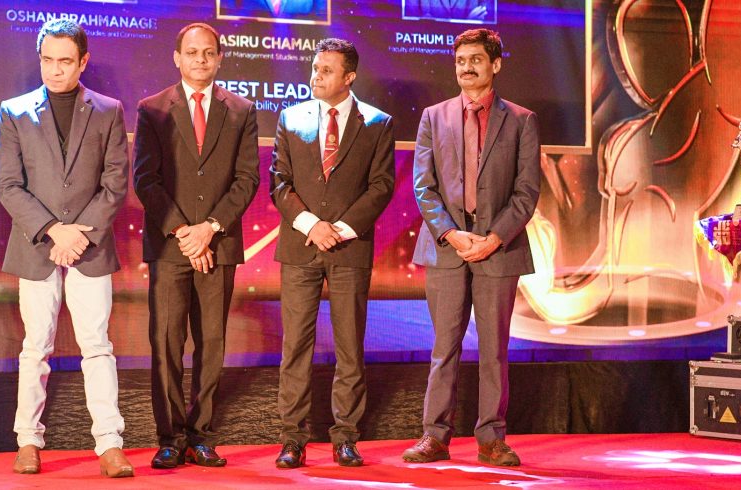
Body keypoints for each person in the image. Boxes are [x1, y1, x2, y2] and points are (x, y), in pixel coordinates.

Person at [0, 18, 133, 478]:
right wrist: (56, 231)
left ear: (83, 62)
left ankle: (109, 443)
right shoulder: (14, 111)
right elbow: (9, 186)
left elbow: (115, 183)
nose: (55, 70)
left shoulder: (108, 110)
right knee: (35, 347)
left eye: (65, 61)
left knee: (97, 345)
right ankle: (28, 440)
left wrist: (79, 235)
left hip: (89, 248)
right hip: (38, 245)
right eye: (48, 60)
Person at [405, 28, 540, 467]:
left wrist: (494, 237)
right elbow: (423, 187)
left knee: (494, 350)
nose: (466, 67)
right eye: (460, 60)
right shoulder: (433, 116)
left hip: (499, 249)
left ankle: (491, 439)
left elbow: (526, 191)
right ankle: (434, 436)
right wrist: (451, 234)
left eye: (476, 59)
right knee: (443, 347)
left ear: (495, 64)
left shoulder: (521, 120)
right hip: (447, 248)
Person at [133, 22, 260, 470]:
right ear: (177, 58)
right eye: (192, 52)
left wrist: (210, 228)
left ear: (220, 58)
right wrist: (185, 232)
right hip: (171, 246)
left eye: (209, 52)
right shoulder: (152, 110)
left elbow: (247, 178)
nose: (200, 60)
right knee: (166, 343)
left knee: (212, 343)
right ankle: (170, 437)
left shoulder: (242, 110)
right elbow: (145, 180)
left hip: (218, 245)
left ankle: (201, 436)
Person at [269, 38, 396, 469]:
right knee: (295, 346)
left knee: (349, 347)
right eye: (315, 67)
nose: (316, 76)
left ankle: (346, 437)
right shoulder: (291, 117)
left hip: (350, 248)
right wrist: (312, 225)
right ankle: (292, 439)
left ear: (349, 77)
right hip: (301, 246)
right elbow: (279, 182)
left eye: (326, 70)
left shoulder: (377, 123)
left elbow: (381, 186)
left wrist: (339, 229)